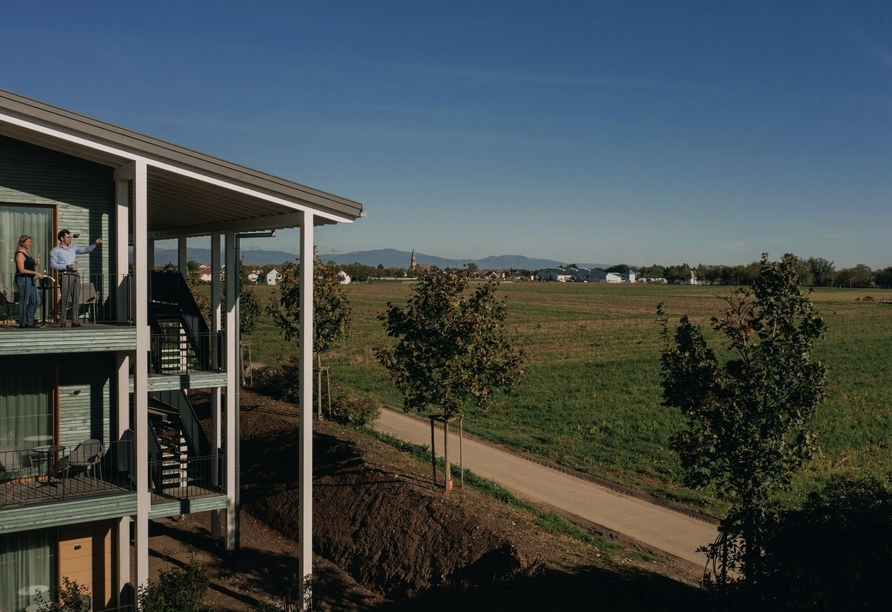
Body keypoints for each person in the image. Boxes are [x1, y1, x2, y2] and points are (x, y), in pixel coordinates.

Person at [50, 229, 102, 328]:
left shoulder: (73, 248)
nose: (70, 239)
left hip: (75, 274)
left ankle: (75, 321)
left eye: (70, 237)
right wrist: (67, 266)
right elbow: (53, 264)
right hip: (65, 274)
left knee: (76, 298)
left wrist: (95, 244)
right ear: (62, 238)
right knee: (65, 297)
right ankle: (62, 321)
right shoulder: (55, 250)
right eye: (68, 237)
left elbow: (85, 250)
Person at [14, 235, 46, 328]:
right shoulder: (20, 254)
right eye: (28, 242)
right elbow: (21, 269)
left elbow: (28, 265)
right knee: (24, 301)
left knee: (36, 301)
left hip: (30, 280)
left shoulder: (26, 252)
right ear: (22, 243)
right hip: (24, 279)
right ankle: (22, 322)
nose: (30, 244)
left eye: (30, 242)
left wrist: (35, 263)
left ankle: (30, 321)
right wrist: (35, 272)